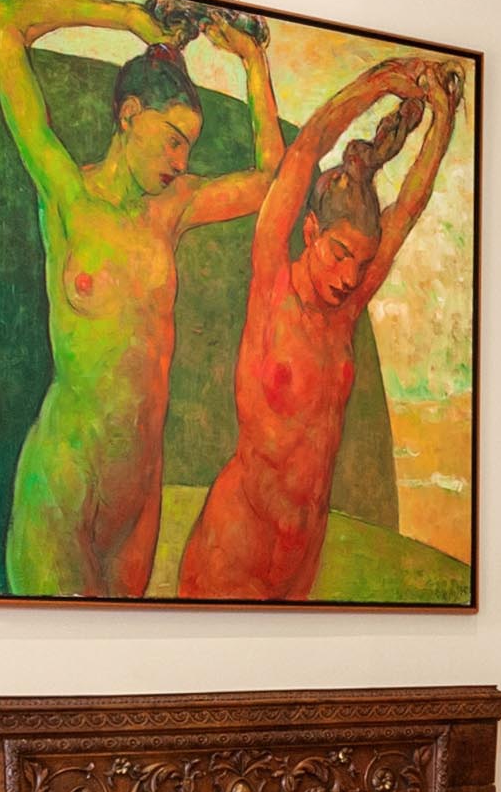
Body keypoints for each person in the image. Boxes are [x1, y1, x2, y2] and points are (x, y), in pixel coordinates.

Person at [0, 0, 272, 596]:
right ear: (129, 114)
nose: (179, 159)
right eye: (171, 138)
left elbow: (274, 177)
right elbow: (5, 21)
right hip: (63, 482)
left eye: (188, 146)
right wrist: (126, 18)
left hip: (138, 500)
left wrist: (254, 62)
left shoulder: (175, 206)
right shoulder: (66, 190)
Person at [175, 54, 462, 599]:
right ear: (310, 231)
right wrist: (378, 83)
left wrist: (442, 124)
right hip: (235, 546)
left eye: (362, 261)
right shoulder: (271, 284)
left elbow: (407, 210)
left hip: (301, 557)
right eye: (339, 253)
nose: (350, 275)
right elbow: (306, 148)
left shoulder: (344, 315)